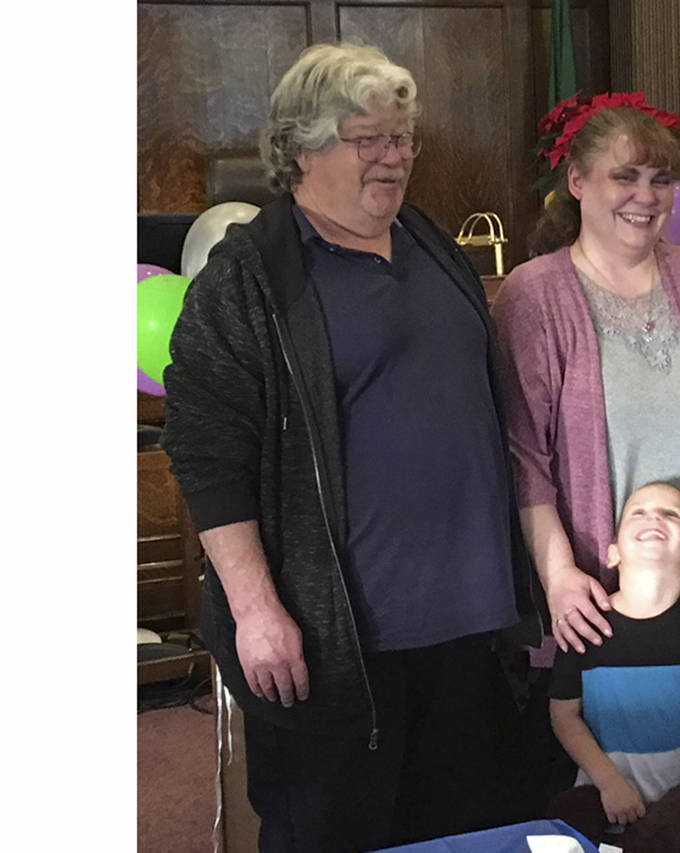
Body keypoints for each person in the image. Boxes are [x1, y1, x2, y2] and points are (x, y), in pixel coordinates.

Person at [162, 42, 540, 853]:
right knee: (335, 833)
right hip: (339, 642)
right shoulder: (251, 276)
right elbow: (207, 450)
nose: (394, 157)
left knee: (470, 833)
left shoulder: (428, 239)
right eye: (368, 138)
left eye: (401, 138)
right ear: (303, 147)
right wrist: (258, 610)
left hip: (467, 626)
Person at [494, 95, 680, 655]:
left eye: (661, 180)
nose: (645, 197)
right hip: (596, 600)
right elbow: (522, 455)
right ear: (577, 181)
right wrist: (557, 576)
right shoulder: (534, 296)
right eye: (624, 177)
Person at [546, 482, 680, 851]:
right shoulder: (584, 623)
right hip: (601, 809)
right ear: (613, 552)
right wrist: (608, 782)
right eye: (639, 512)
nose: (653, 518)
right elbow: (563, 715)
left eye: (671, 514)